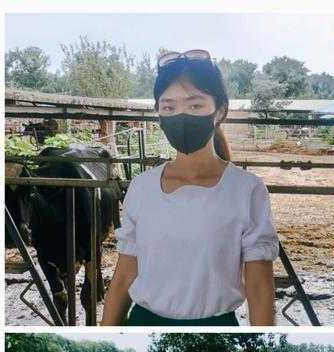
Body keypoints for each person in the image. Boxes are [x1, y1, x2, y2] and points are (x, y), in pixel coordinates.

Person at [102, 49, 279, 326]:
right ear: (159, 113)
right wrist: (108, 337)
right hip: (144, 324)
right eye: (169, 107)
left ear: (219, 111)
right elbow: (124, 275)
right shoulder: (142, 188)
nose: (180, 116)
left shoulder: (246, 190)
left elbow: (259, 286)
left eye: (195, 105)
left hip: (216, 330)